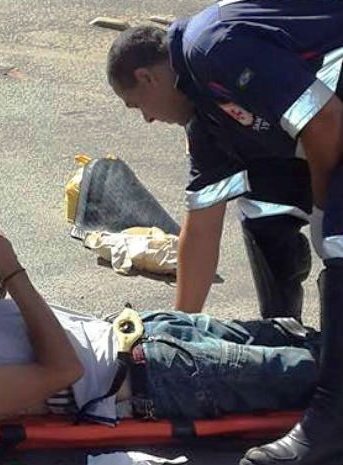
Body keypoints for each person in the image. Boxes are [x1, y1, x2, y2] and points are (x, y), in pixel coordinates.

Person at [105, 2, 343, 463]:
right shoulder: (204, 112)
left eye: (137, 106)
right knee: (263, 207)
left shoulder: (212, 47)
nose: (147, 120)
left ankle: (333, 420)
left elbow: (328, 121)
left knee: (338, 235)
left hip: (337, 118)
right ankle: (289, 343)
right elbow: (202, 225)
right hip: (333, 121)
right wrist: (180, 333)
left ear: (148, 78)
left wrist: (321, 209)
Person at [0, 211, 321, 425]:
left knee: (316, 341)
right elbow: (64, 370)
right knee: (323, 374)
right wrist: (14, 273)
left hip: (147, 327)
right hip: (160, 375)